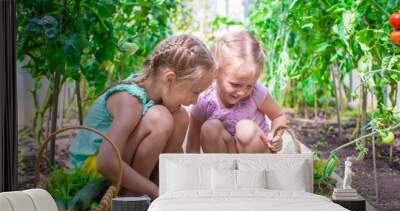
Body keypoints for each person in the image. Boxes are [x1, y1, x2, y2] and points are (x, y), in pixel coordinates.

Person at [68, 34, 215, 200]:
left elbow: (172, 152)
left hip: (121, 171)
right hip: (90, 177)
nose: (195, 101)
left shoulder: (155, 97)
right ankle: (132, 199)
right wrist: (154, 190)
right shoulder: (129, 100)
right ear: (170, 79)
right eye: (195, 92)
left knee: (180, 117)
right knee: (160, 119)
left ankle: (157, 196)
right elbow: (106, 163)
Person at [186, 31, 286, 154]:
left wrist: (276, 135)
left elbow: (279, 116)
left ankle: (254, 172)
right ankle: (225, 171)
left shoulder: (257, 93)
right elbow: (192, 147)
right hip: (228, 160)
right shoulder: (204, 101)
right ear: (215, 73)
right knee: (209, 128)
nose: (243, 92)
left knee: (246, 129)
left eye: (250, 86)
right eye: (235, 84)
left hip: (259, 159)